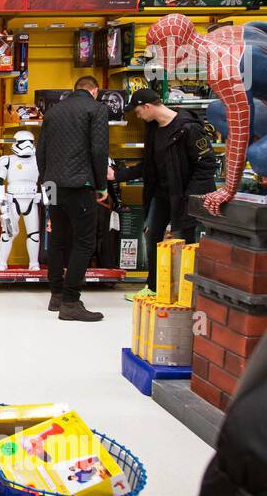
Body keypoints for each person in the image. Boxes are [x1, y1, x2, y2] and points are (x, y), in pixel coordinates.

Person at [117, 88, 218, 297]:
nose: (138, 116)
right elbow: (148, 165)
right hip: (161, 194)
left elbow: (206, 165)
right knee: (151, 234)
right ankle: (154, 287)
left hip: (184, 195)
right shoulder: (153, 128)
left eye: (137, 112)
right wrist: (119, 175)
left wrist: (189, 199)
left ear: (147, 106)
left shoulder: (189, 128)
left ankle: (185, 291)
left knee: (183, 240)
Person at [36, 76, 108, 321]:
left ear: (75, 89)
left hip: (53, 184)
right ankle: (70, 301)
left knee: (57, 237)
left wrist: (45, 180)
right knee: (84, 241)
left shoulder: (53, 111)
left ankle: (56, 294)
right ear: (94, 91)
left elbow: (40, 149)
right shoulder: (96, 109)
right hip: (80, 185)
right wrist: (100, 184)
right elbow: (99, 149)